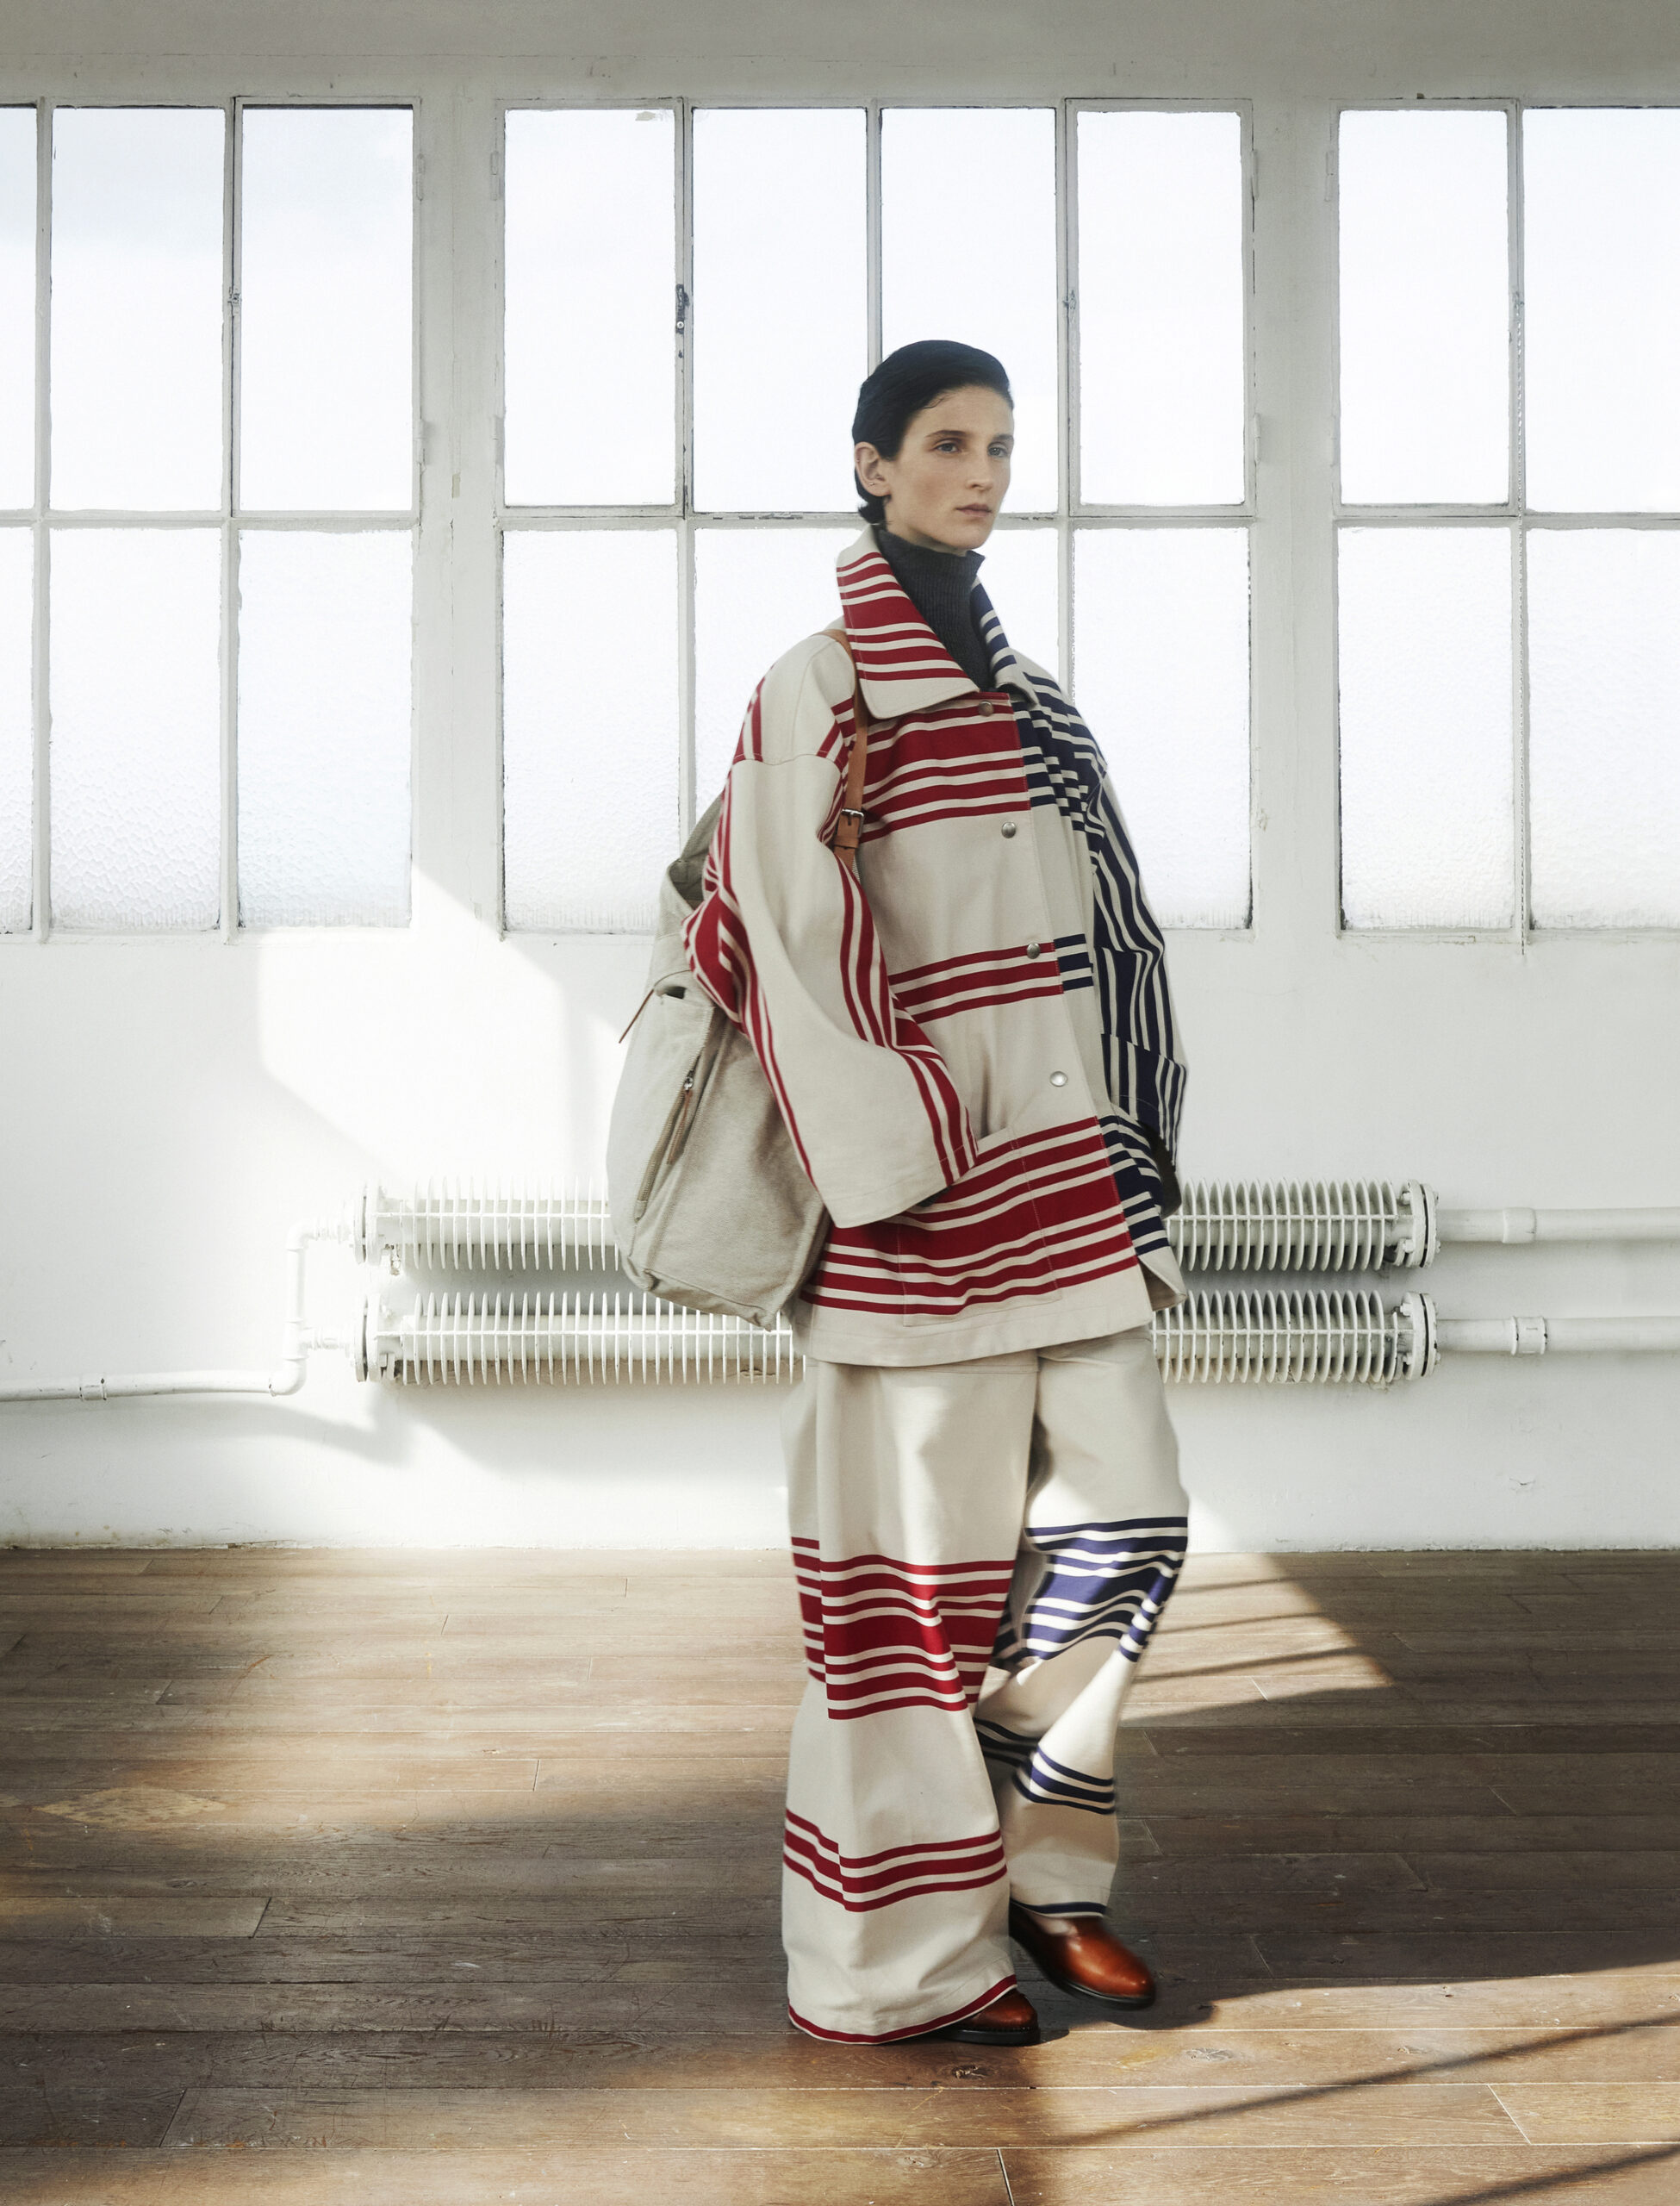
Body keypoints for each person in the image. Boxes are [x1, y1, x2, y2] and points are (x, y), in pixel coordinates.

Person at [682, 340, 1190, 2047]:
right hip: (912, 1219)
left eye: (1002, 446)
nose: (982, 473)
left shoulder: (1036, 698)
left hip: (1070, 1203)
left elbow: (1117, 946)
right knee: (904, 1604)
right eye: (950, 443)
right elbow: (781, 943)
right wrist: (899, 1151)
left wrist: (1139, 1162)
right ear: (872, 463)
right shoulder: (817, 687)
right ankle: (901, 1960)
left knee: (1130, 1527)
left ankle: (1042, 1870)